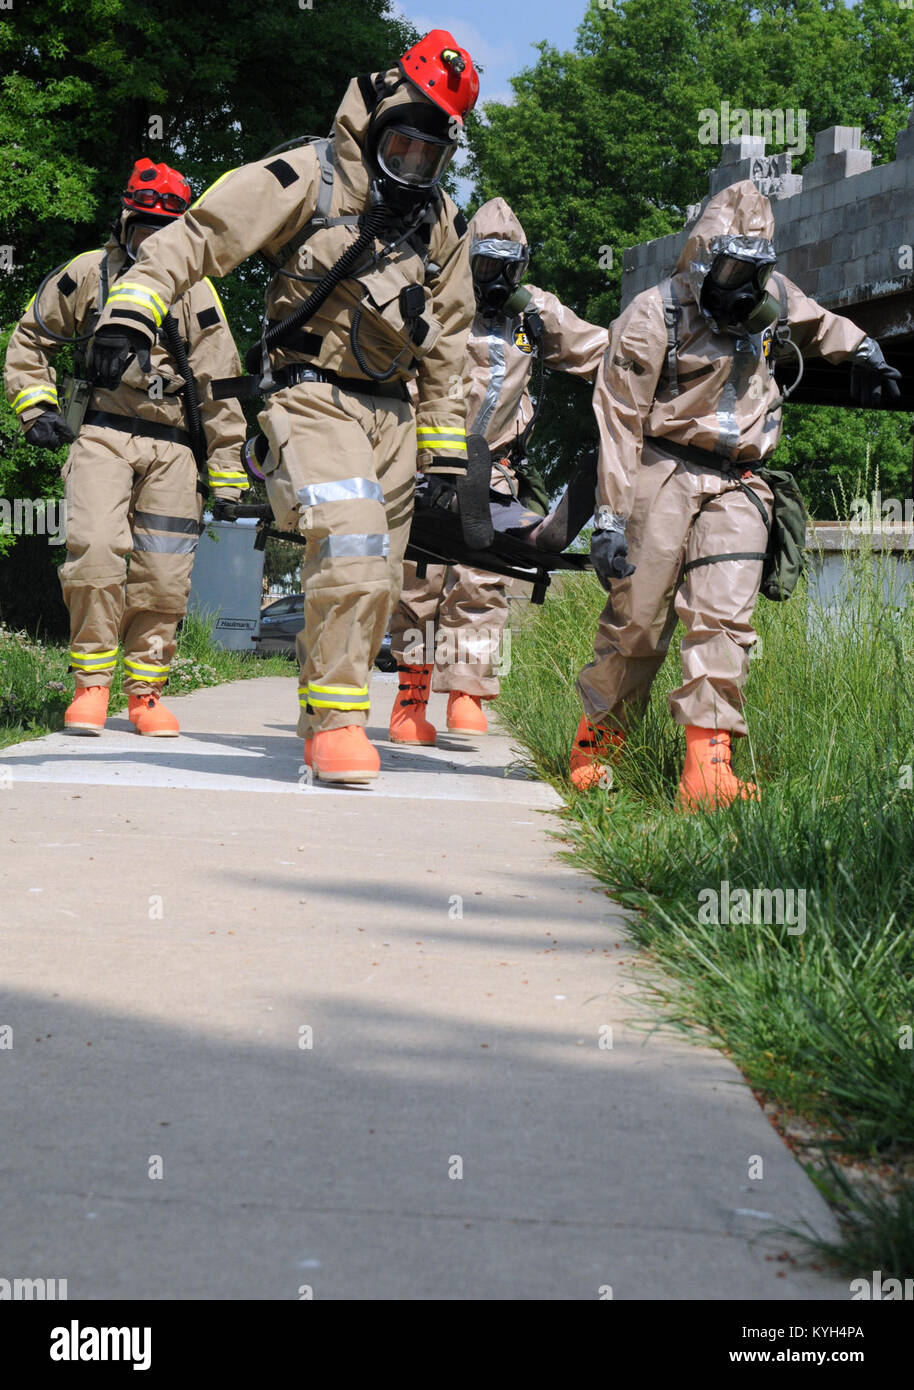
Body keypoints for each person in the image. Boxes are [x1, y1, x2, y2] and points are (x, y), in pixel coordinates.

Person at [88, 31, 479, 785]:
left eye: (431, 157)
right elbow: (198, 237)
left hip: (393, 414)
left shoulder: (443, 226)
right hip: (312, 395)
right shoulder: (309, 175)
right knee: (355, 547)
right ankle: (337, 729)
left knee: (381, 581)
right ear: (377, 121)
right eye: (402, 148)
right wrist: (130, 311)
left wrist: (445, 453)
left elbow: (448, 346)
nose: (415, 169)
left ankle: (324, 707)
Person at [571, 178, 901, 809]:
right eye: (730, 269)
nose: (743, 286)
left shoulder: (768, 296)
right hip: (662, 469)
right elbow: (618, 421)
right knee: (637, 622)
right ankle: (600, 743)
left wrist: (867, 351)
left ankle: (707, 766)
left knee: (725, 621)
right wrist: (610, 517)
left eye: (755, 271)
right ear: (701, 260)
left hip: (741, 481)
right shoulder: (652, 314)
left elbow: (815, 320)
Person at [4, 158, 248, 736]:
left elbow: (220, 383)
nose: (150, 244)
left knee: (164, 574)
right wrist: (35, 408)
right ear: (123, 223)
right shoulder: (89, 274)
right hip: (104, 434)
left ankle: (145, 693)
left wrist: (229, 473)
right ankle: (91, 686)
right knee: (92, 550)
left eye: (163, 233)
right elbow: (31, 336)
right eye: (141, 229)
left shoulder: (195, 291)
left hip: (173, 448)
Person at [387, 196, 608, 744]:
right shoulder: (432, 301)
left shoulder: (535, 315)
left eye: (505, 269)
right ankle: (411, 697)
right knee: (418, 579)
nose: (494, 280)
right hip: (426, 461)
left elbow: (605, 351)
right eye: (483, 266)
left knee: (482, 578)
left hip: (495, 468)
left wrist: (667, 363)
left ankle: (466, 691)